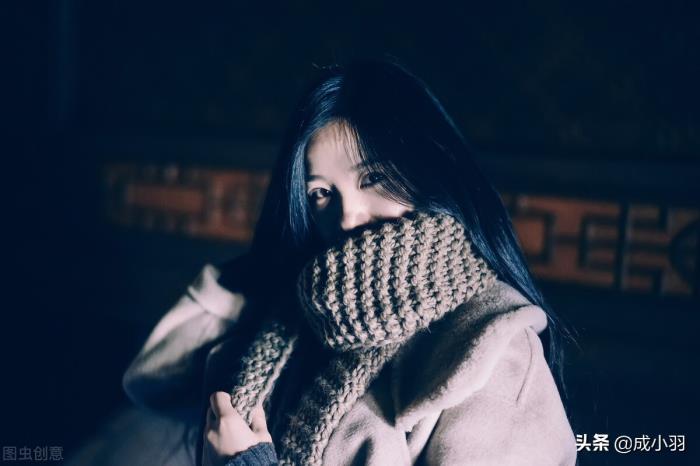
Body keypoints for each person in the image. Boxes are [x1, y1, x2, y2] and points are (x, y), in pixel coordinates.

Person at [122, 58, 578, 466]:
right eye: (321, 192)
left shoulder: (493, 345)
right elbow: (155, 382)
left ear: (430, 170)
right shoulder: (299, 308)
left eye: (373, 177)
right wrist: (261, 275)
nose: (348, 216)